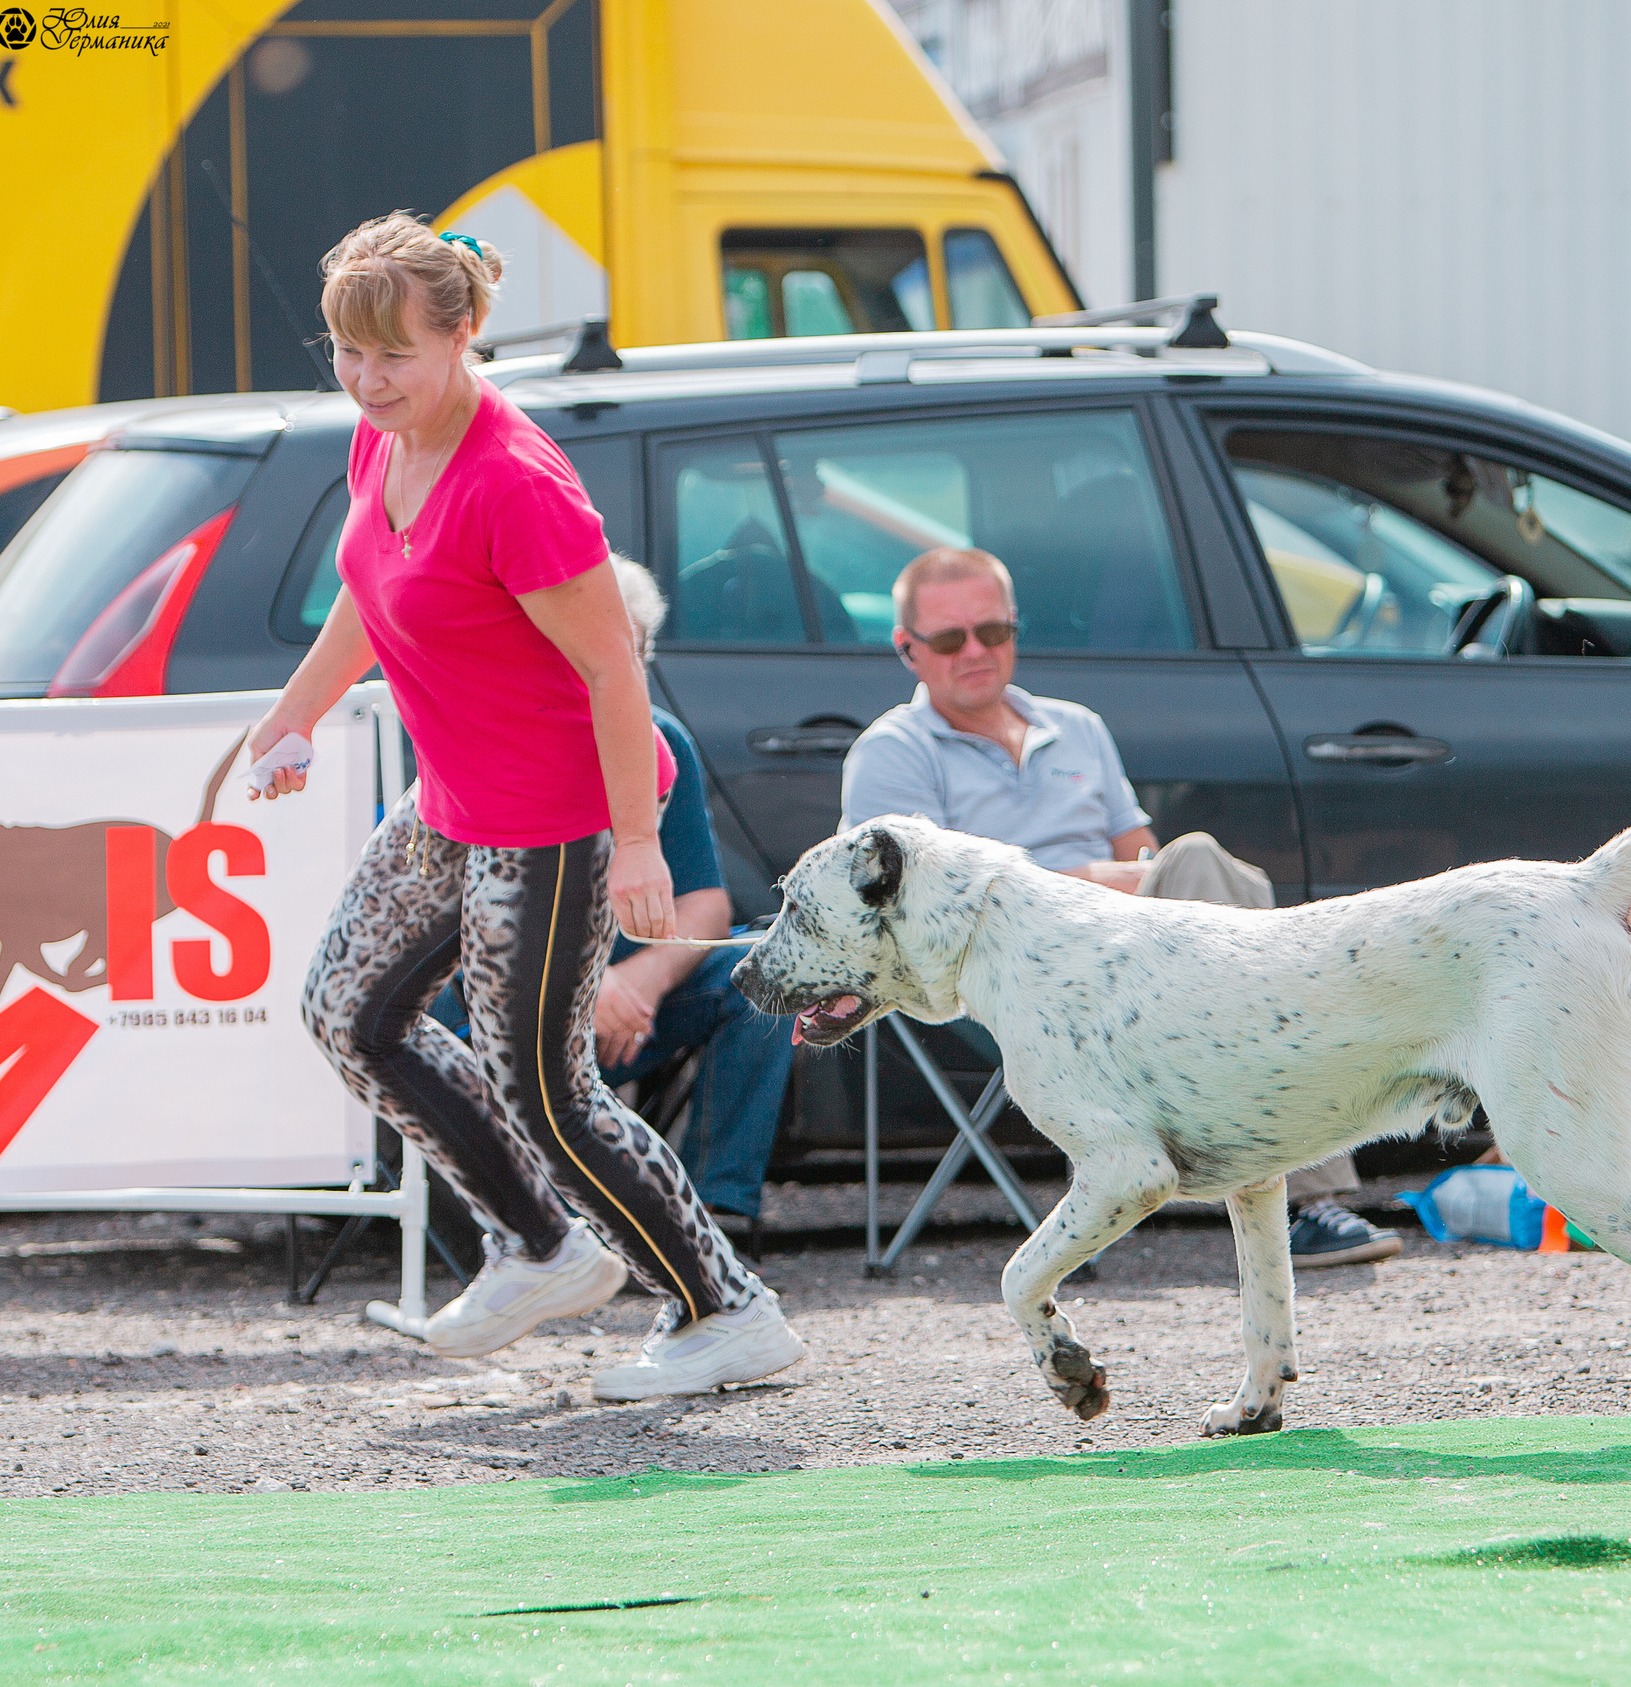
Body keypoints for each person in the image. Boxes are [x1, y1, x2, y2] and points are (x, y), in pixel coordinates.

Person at [251, 214, 804, 1399]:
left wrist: (642, 844)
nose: (364, 379)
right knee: (349, 1014)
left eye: (391, 354)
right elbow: (369, 591)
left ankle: (727, 1310)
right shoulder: (380, 439)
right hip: (451, 802)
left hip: (556, 818)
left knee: (546, 1089)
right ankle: (541, 1246)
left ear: (464, 337)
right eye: (346, 353)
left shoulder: (517, 483)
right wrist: (296, 711)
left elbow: (615, 671)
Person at [840, 547, 1403, 1267]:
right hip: (1004, 983)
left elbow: (1144, 851)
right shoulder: (891, 753)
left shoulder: (1077, 727)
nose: (977, 651)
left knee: (1218, 882)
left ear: (1015, 627)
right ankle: (1303, 1198)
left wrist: (1112, 883)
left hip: (1129, 963)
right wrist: (1101, 883)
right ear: (907, 649)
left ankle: (1282, 1181)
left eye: (994, 631)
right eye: (952, 639)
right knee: (1212, 876)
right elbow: (912, 914)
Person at [432, 558, 797, 1241]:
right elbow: (446, 929)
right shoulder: (481, 740)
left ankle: (711, 1212)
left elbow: (706, 903)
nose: (601, 673)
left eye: (622, 653)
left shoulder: (664, 742)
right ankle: (547, 1229)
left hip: (632, 1002)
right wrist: (577, 987)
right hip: (504, 1012)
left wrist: (639, 978)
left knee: (764, 973)